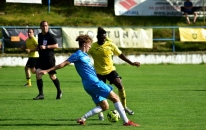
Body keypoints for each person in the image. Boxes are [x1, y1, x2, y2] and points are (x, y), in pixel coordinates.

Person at [38, 34, 140, 126]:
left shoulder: (85, 55)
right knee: (116, 97)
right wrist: (47, 70)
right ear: (85, 44)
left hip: (89, 84)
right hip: (93, 83)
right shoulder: (77, 54)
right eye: (89, 44)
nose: (90, 46)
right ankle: (126, 122)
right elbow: (63, 64)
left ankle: (83, 118)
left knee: (105, 106)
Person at [88, 27, 140, 120]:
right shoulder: (93, 47)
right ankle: (100, 111)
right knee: (98, 92)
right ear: (97, 37)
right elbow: (84, 54)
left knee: (120, 85)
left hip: (111, 70)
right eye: (101, 37)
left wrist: (131, 63)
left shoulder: (110, 45)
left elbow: (120, 55)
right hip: (99, 73)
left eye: (104, 37)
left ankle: (124, 107)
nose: (103, 39)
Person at [33, 20, 62, 100]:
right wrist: (36, 48)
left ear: (48, 26)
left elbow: (56, 46)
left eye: (46, 25)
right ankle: (41, 94)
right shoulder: (39, 35)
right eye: (43, 26)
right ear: (40, 27)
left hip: (49, 58)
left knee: (52, 76)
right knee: (38, 74)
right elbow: (39, 45)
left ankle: (59, 91)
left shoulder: (51, 36)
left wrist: (46, 47)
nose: (44, 27)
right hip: (41, 58)